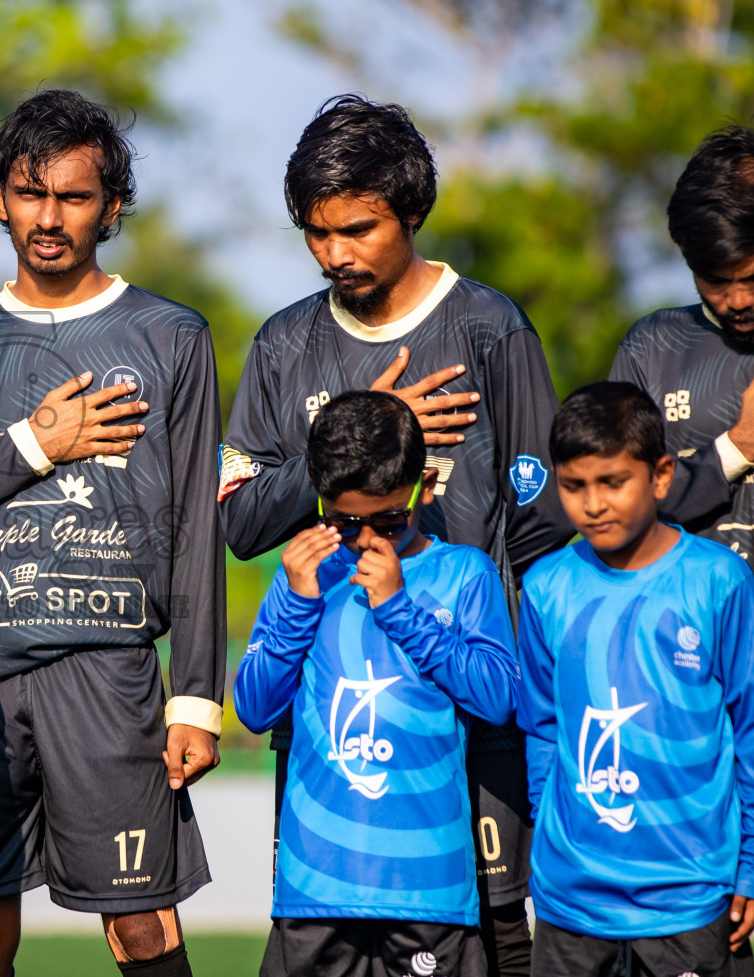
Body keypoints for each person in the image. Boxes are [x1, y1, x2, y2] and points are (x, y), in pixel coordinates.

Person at [217, 94, 572, 976]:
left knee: (496, 931)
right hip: (335, 729)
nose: (336, 253)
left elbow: (542, 531)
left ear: (411, 209)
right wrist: (367, 430)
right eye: (316, 233)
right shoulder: (283, 346)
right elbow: (240, 519)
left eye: (360, 229)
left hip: (472, 705)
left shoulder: (491, 329)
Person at [0, 89, 224, 977]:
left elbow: (195, 525)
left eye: (74, 197)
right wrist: (34, 445)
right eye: (30, 193)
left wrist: (194, 699)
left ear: (111, 207)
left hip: (108, 673)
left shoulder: (171, 338)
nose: (49, 217)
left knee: (142, 926)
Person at [234, 390, 516, 977]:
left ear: (426, 487)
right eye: (343, 520)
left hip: (430, 889)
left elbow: (499, 698)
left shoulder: (465, 573)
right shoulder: (301, 576)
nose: (365, 539)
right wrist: (297, 605)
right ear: (318, 494)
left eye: (388, 519)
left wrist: (399, 609)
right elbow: (255, 708)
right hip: (314, 888)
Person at [517, 381, 754, 976]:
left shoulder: (719, 581)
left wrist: (753, 862)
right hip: (572, 904)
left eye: (612, 482)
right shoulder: (544, 586)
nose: (592, 504)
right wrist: (551, 836)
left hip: (691, 897)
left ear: (660, 476)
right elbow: (539, 728)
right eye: (573, 486)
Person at [609, 125, 754, 944]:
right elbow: (595, 520)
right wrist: (739, 449)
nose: (739, 301)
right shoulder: (656, 351)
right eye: (714, 280)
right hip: (686, 738)